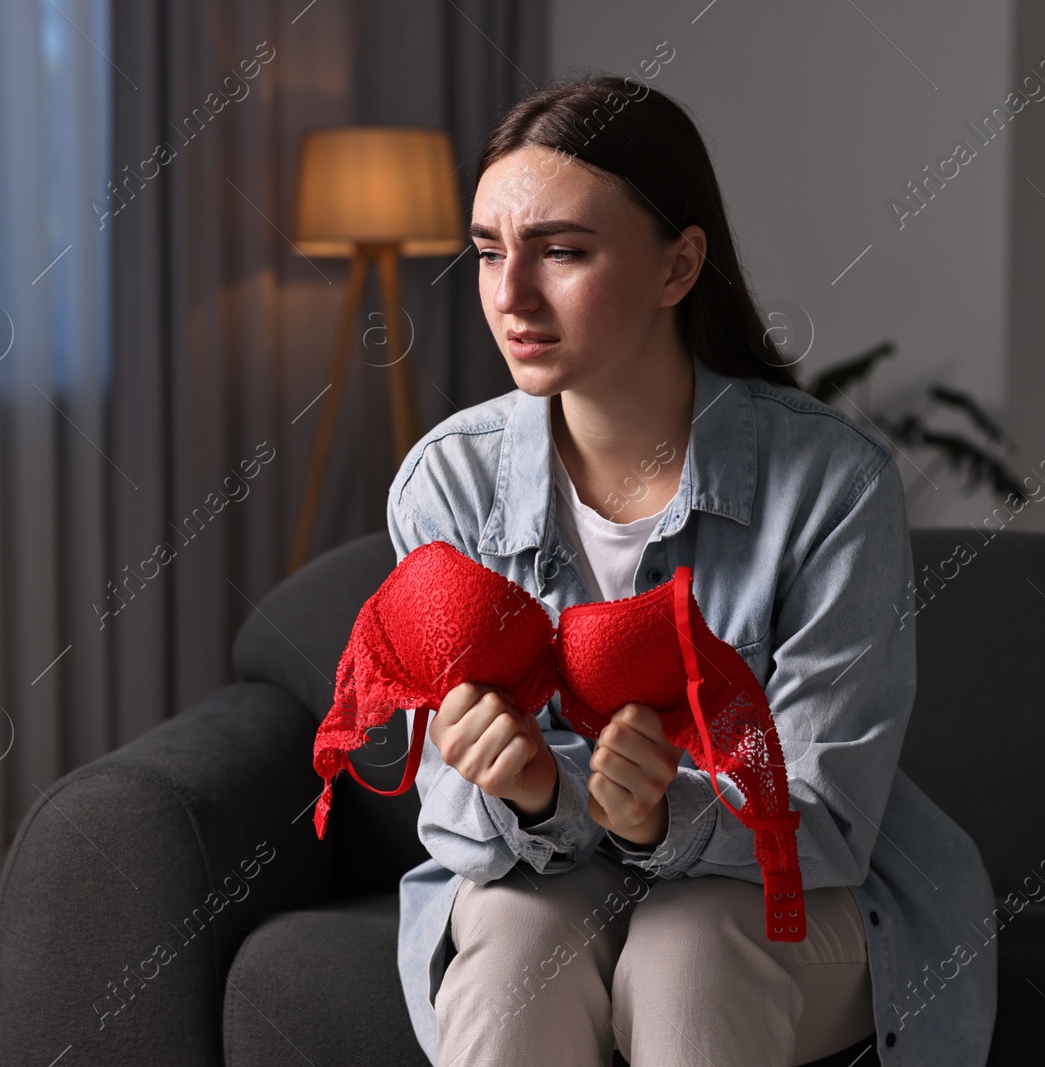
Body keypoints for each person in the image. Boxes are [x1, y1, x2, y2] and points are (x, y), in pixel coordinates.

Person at [389, 72, 996, 1067]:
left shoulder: (833, 485)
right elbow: (453, 815)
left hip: (780, 889)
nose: (509, 295)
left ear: (678, 267)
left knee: (687, 953)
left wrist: (662, 808)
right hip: (544, 884)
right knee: (512, 957)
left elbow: (828, 818)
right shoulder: (445, 484)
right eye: (490, 251)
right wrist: (537, 795)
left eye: (562, 252)